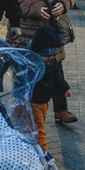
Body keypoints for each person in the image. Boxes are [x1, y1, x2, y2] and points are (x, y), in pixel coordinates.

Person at [11, 0, 78, 124]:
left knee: (55, 66)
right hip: (26, 28)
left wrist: (65, 2)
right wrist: (33, 8)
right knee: (25, 73)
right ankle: (22, 113)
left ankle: (60, 110)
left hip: (51, 27)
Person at [27, 25, 71, 154]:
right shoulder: (31, 63)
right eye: (46, 55)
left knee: (37, 127)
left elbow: (57, 75)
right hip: (33, 102)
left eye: (53, 54)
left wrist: (64, 87)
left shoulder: (51, 62)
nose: (50, 57)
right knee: (40, 129)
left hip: (44, 101)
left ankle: (32, 149)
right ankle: (43, 155)